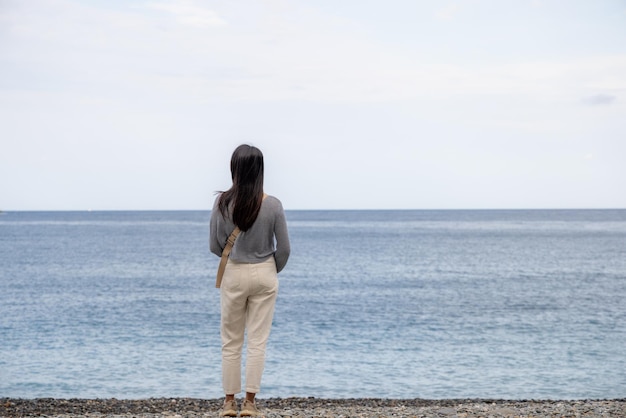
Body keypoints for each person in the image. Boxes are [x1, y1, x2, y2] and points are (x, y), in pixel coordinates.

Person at [209, 144, 291, 417]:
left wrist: (234, 254)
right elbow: (285, 248)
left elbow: (214, 245)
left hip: (233, 271)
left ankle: (229, 403)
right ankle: (251, 404)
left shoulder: (221, 202)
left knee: (231, 340)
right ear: (260, 170)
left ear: (234, 168)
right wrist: (270, 268)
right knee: (258, 341)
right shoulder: (273, 204)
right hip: (265, 272)